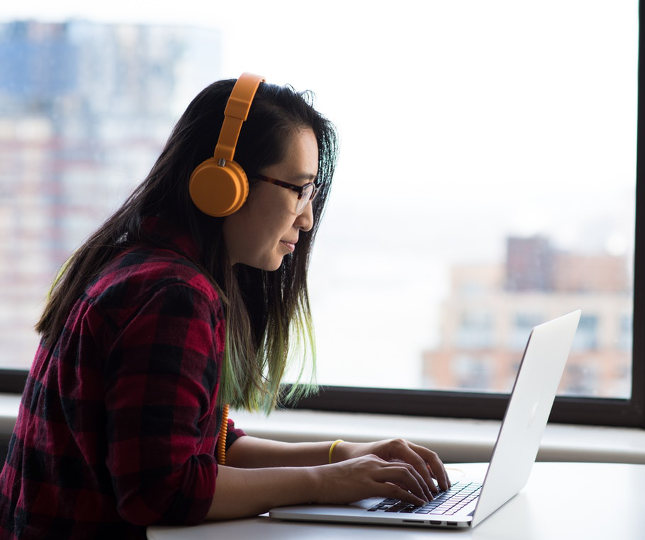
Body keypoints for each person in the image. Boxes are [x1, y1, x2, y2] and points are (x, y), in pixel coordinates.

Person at [0, 73, 450, 539]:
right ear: (223, 182)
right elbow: (162, 489)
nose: (308, 217)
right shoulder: (172, 295)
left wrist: (343, 455)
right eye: (298, 189)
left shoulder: (144, 264)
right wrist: (324, 483)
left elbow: (206, 446)